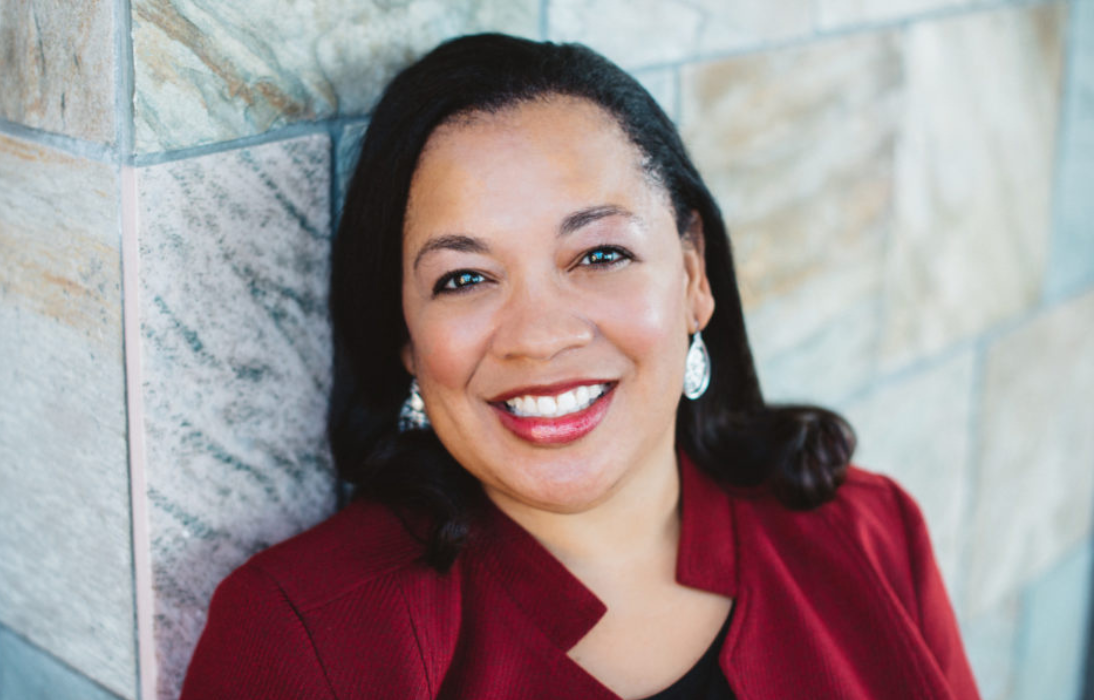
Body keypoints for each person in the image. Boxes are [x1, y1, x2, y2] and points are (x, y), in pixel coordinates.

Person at [181, 33, 980, 700]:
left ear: (694, 276)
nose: (539, 336)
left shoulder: (871, 535)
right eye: (463, 278)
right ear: (405, 340)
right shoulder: (302, 640)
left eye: (599, 254)